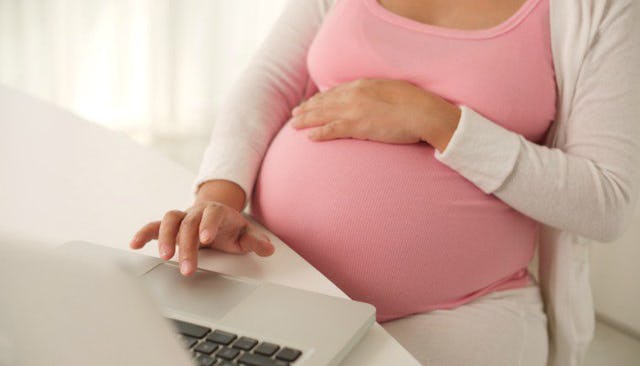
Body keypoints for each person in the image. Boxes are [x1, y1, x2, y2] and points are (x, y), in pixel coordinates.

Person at [130, 0, 640, 365]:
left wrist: (437, 120)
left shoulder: (600, 10)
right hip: (275, 276)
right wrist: (219, 197)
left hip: (456, 313)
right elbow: (270, 80)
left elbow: (605, 201)